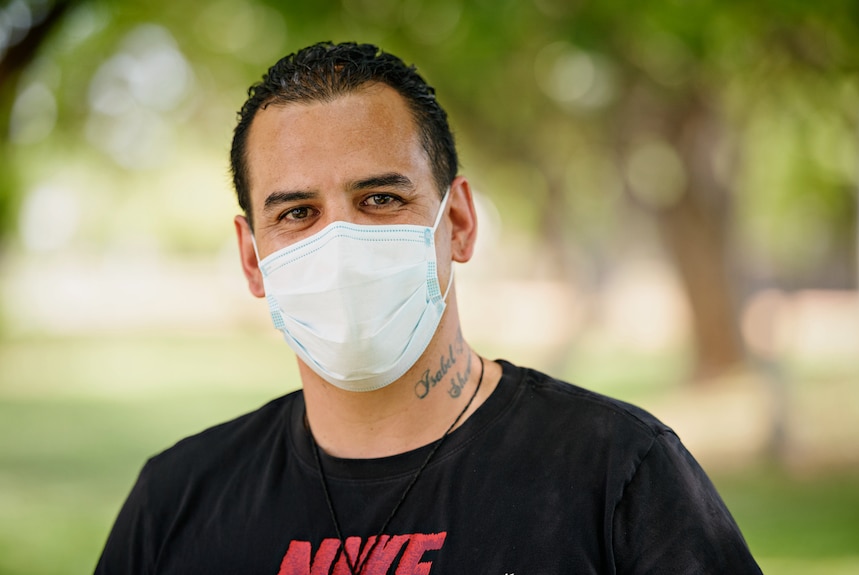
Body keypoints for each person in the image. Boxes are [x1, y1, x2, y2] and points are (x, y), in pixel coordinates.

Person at [95, 41, 762, 574]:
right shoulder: (177, 502)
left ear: (460, 222)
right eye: (298, 212)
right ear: (252, 259)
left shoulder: (617, 473)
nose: (340, 242)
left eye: (380, 199)